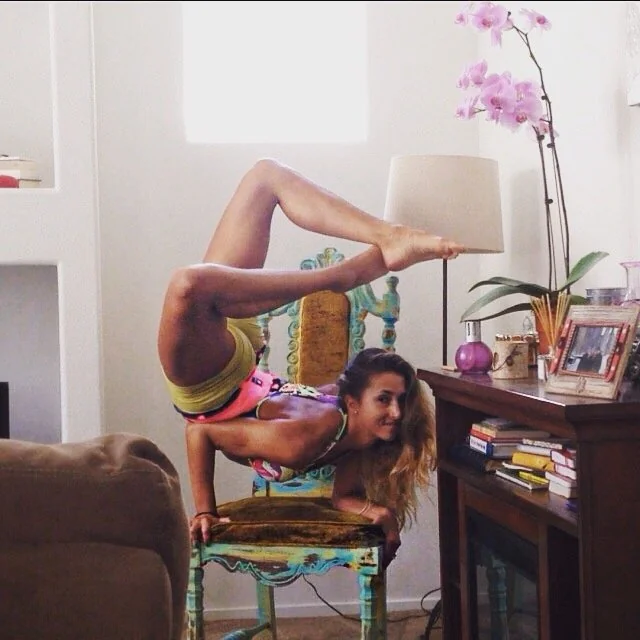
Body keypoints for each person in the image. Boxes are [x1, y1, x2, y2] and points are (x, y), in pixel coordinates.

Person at [157, 158, 464, 565]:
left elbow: (342, 496)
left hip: (210, 383)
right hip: (240, 354)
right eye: (385, 399)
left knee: (190, 285)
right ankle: (381, 243)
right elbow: (204, 436)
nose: (396, 411)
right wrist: (205, 509)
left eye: (400, 400)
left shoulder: (343, 440)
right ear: (354, 400)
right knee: (264, 178)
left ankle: (351, 271)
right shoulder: (326, 431)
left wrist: (378, 511)